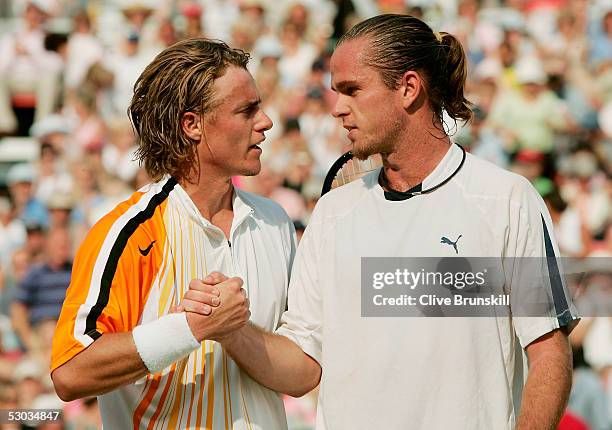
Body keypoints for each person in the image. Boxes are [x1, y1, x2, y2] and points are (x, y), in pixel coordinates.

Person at [201, 14, 580, 429]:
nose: (337, 109)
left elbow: (548, 352)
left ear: (408, 88)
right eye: (335, 92)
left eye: (352, 90)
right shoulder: (332, 213)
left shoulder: (507, 200)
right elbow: (304, 367)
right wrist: (230, 329)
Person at [50, 38, 296, 430]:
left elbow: (302, 375)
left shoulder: (276, 222)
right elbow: (70, 370)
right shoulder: (129, 230)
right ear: (192, 124)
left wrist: (233, 332)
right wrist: (193, 328)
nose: (266, 121)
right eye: (247, 110)